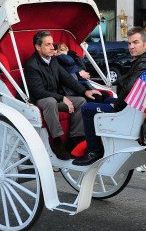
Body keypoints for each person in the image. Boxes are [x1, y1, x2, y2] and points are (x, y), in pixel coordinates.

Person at [73, 27, 146, 166]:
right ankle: (97, 139)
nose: (131, 47)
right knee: (103, 97)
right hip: (133, 106)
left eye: (135, 42)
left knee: (87, 108)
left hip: (128, 109)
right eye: (129, 43)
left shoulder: (143, 62)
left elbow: (129, 88)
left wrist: (115, 105)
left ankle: (94, 151)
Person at [24, 31, 101, 160]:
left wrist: (85, 91)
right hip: (42, 101)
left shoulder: (53, 60)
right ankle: (57, 141)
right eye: (47, 44)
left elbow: (67, 78)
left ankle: (74, 139)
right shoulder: (32, 65)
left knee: (81, 101)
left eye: (52, 44)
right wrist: (62, 98)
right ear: (38, 47)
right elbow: (38, 92)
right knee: (50, 101)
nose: (52, 47)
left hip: (57, 99)